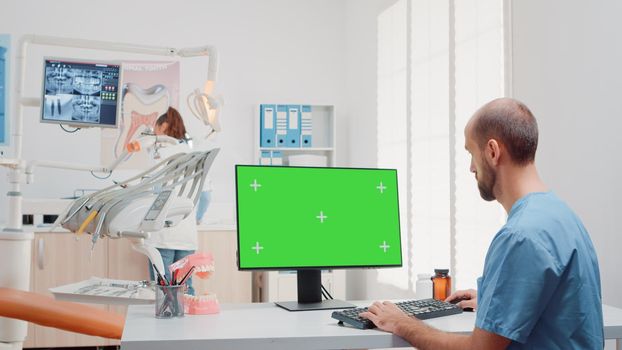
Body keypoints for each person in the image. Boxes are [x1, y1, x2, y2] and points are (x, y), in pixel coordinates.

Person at [361, 98, 603, 349]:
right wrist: (495, 301)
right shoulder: (562, 216)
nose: (471, 168)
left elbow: (479, 349)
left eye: (471, 153)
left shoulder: (520, 236)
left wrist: (403, 323)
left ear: (492, 151)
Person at [146, 106, 197, 295]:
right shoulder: (193, 154)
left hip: (163, 235)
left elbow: (154, 192)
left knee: (162, 291)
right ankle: (188, 325)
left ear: (164, 126)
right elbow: (206, 196)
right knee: (186, 289)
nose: (153, 133)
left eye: (155, 129)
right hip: (187, 235)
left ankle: (165, 325)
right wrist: (192, 217)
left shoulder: (159, 154)